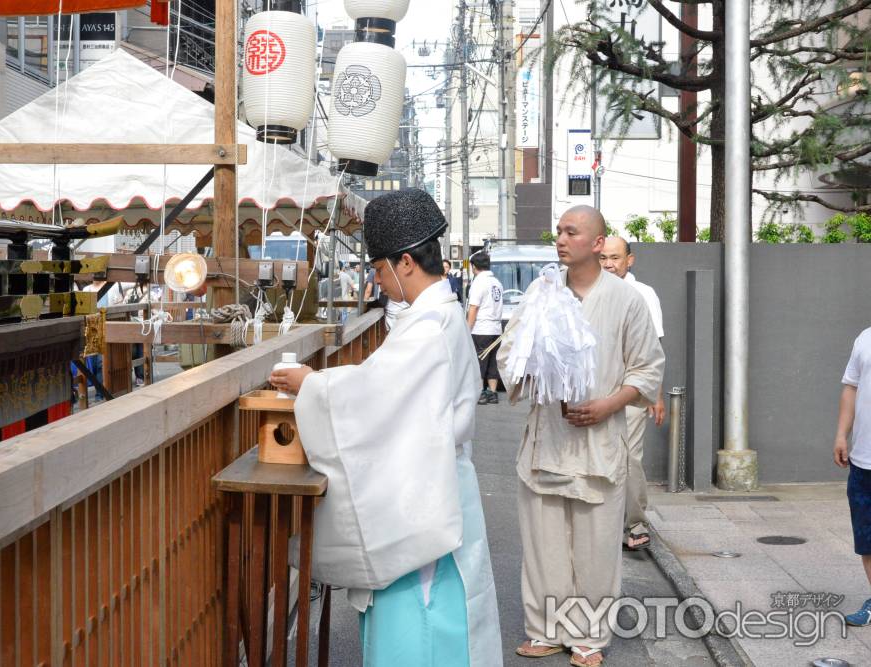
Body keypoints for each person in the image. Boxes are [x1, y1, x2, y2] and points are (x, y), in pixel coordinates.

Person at [270, 188, 501, 666]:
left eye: (378, 270)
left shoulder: (428, 326)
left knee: (418, 628)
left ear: (406, 263)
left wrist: (311, 384)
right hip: (434, 484)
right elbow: (380, 387)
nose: (379, 281)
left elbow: (372, 398)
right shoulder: (438, 315)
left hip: (424, 498)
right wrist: (319, 384)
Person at [497, 205, 664, 666]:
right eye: (559, 231)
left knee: (595, 547)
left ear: (597, 243)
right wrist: (527, 376)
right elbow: (510, 355)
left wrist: (608, 403)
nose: (560, 239)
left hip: (599, 440)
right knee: (544, 543)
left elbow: (647, 369)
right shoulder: (541, 292)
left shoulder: (626, 300)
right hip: (546, 438)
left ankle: (589, 635)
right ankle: (546, 629)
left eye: (572, 232)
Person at [600, 236, 666, 551]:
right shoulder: (593, 291)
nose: (609, 264)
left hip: (633, 391)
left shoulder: (644, 295)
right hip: (598, 391)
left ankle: (636, 523)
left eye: (615, 257)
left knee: (629, 457)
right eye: (603, 258)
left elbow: (655, 351)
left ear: (630, 260)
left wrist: (657, 396)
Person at [834, 326, 871, 626]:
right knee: (867, 539)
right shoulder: (865, 337)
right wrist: (841, 435)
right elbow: (851, 387)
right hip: (863, 461)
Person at [467, 252, 504, 405]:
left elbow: (474, 308)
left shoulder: (478, 283)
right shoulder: (497, 282)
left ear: (474, 266)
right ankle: (493, 393)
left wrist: (467, 329)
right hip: (496, 329)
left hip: (481, 328)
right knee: (493, 362)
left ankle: (480, 393)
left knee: (479, 361)